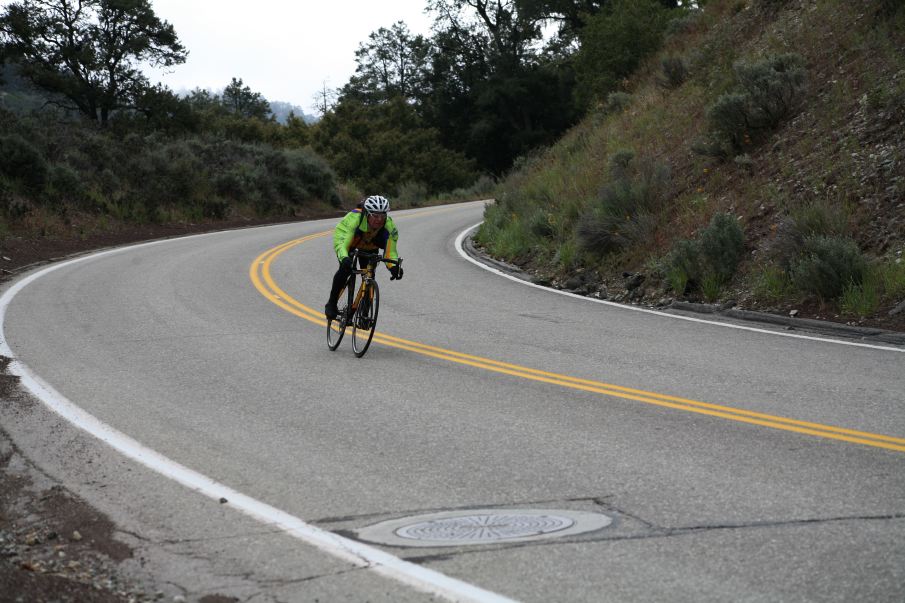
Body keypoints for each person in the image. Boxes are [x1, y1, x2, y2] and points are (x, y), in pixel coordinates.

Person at [324, 195, 403, 320]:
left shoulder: (390, 227)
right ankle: (331, 304)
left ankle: (364, 314)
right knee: (345, 269)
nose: (379, 220)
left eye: (382, 216)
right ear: (367, 214)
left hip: (369, 246)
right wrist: (344, 258)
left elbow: (390, 251)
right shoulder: (355, 220)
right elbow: (342, 245)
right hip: (348, 242)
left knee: (369, 274)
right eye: (375, 215)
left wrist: (393, 266)